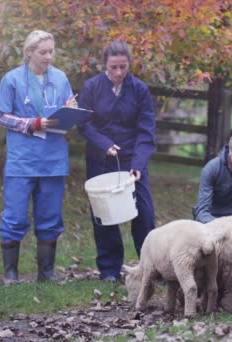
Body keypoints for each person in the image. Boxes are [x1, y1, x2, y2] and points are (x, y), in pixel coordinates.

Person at [0, 30, 78, 283]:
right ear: (29, 52)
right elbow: (0, 117)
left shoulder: (61, 78)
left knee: (50, 216)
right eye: (43, 52)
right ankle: (11, 274)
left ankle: (46, 273)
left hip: (53, 160)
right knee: (15, 215)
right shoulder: (12, 80)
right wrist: (32, 123)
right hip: (22, 160)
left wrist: (73, 111)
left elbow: (70, 105)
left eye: (51, 51)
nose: (49, 57)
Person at [77, 41, 156, 282]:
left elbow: (146, 130)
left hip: (133, 161)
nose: (119, 73)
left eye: (123, 67)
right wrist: (103, 144)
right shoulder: (91, 87)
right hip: (101, 160)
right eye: (113, 67)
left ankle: (152, 267)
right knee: (104, 216)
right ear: (105, 66)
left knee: (144, 213)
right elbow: (83, 124)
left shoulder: (139, 89)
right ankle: (110, 270)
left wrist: (138, 165)